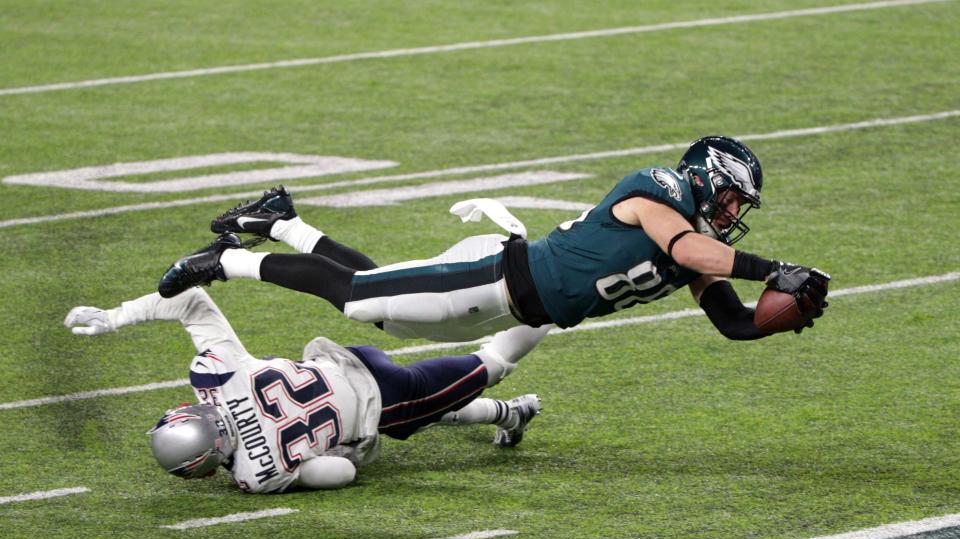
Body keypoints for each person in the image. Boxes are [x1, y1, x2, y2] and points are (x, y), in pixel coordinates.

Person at [158, 135, 829, 352]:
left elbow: (734, 323)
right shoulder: (661, 191)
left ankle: (280, 220)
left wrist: (784, 313)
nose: (735, 212)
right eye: (734, 196)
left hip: (518, 311)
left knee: (386, 306)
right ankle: (227, 262)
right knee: (363, 301)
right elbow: (686, 252)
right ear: (706, 177)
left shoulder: (700, 245)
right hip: (497, 275)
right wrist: (777, 268)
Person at [63, 288, 541, 493]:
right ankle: (508, 414)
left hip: (385, 401)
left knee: (495, 361)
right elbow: (191, 300)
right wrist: (117, 317)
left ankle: (552, 300)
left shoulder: (256, 475)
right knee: (421, 413)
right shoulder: (215, 375)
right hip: (345, 358)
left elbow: (339, 472)